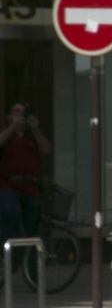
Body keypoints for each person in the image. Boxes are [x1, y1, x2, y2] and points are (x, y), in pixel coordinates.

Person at [0, 102, 51, 245]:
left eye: (23, 113)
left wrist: (35, 129)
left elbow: (46, 149)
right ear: (9, 116)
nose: (20, 116)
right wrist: (12, 128)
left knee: (33, 225)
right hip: (8, 185)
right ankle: (8, 252)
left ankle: (30, 263)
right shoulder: (6, 135)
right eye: (16, 112)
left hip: (30, 185)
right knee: (9, 212)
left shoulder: (32, 136)